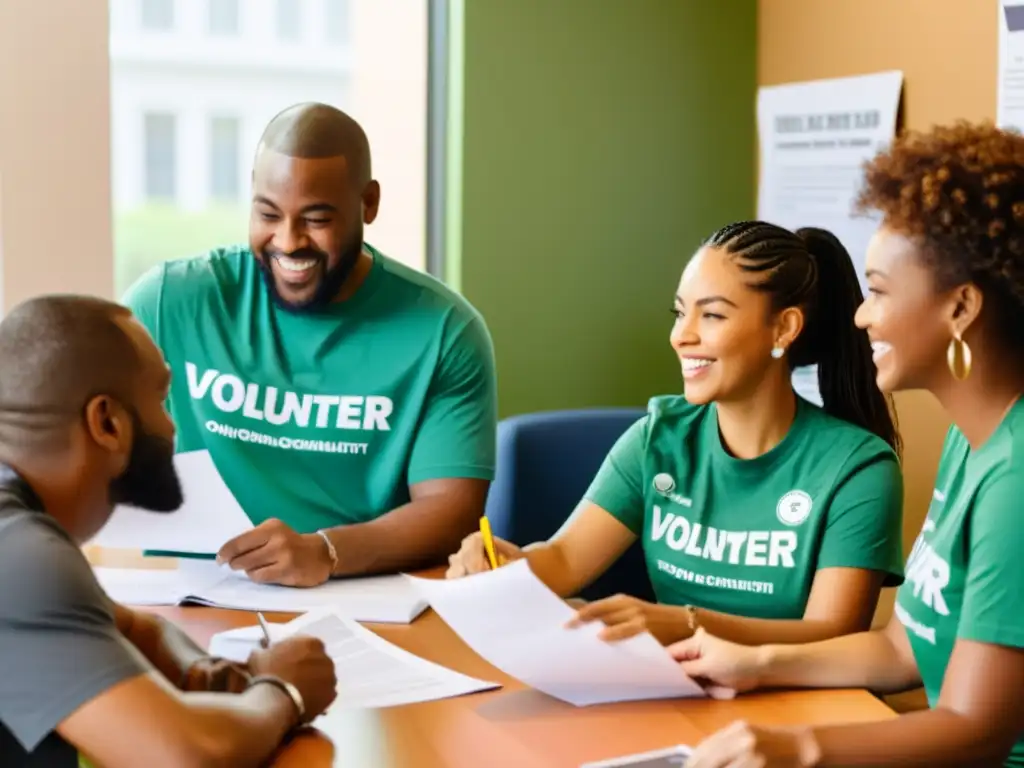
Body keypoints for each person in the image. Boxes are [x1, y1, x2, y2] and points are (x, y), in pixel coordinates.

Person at [674, 122, 1024, 767]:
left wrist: (796, 749)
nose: (861, 315)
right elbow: (903, 650)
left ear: (962, 308)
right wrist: (757, 663)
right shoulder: (969, 442)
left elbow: (978, 728)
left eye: (881, 291)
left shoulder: (1018, 479)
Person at [447, 220, 905, 647]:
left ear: (783, 328)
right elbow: (565, 559)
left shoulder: (858, 468)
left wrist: (686, 624)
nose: (680, 336)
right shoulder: (657, 439)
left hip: (792, 706)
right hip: (673, 692)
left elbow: (832, 634)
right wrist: (502, 564)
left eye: (712, 316)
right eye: (680, 312)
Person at [122, 102, 497, 587]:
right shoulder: (169, 301)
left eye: (316, 219)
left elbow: (451, 511)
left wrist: (326, 552)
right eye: (268, 214)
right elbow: (70, 425)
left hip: (361, 594)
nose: (288, 240)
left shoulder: (445, 331)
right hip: (187, 592)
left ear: (368, 204)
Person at [0, 295, 338, 768]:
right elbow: (186, 756)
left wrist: (204, 673)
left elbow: (138, 628)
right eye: (161, 400)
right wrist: (284, 691)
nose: (170, 423)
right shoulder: (19, 552)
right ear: (107, 423)